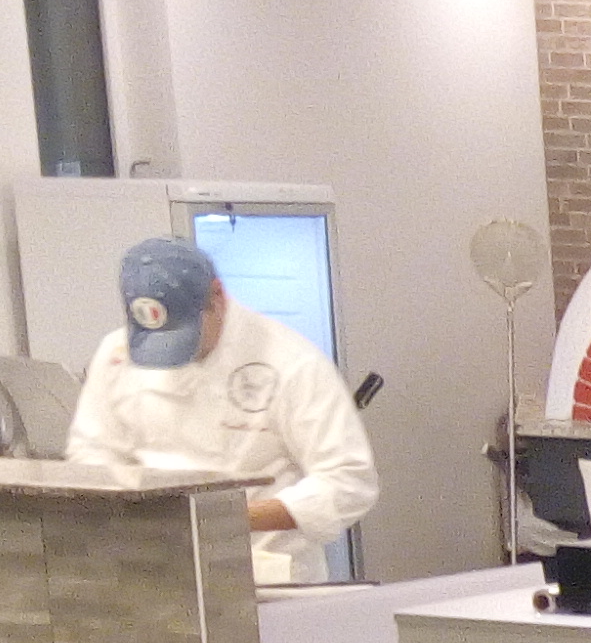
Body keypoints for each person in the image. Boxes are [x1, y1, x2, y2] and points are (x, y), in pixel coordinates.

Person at [63, 236, 377, 585]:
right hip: (154, 568)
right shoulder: (115, 354)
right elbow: (93, 453)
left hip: (265, 577)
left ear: (218, 297)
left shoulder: (292, 363)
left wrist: (231, 518)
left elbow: (349, 482)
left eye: (185, 335)